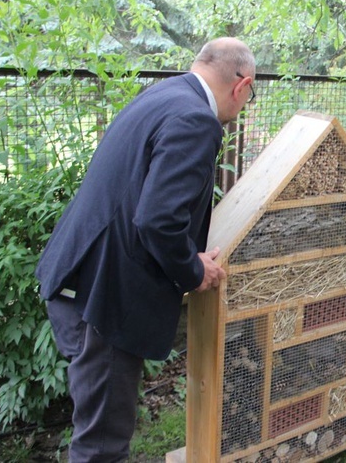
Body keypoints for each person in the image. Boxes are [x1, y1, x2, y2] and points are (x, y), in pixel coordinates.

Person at [36, 37, 256, 461]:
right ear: (241, 85)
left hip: (77, 278)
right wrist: (193, 270)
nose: (243, 108)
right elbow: (158, 219)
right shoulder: (196, 120)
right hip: (108, 299)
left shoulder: (162, 94)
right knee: (102, 443)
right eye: (248, 98)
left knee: (96, 420)